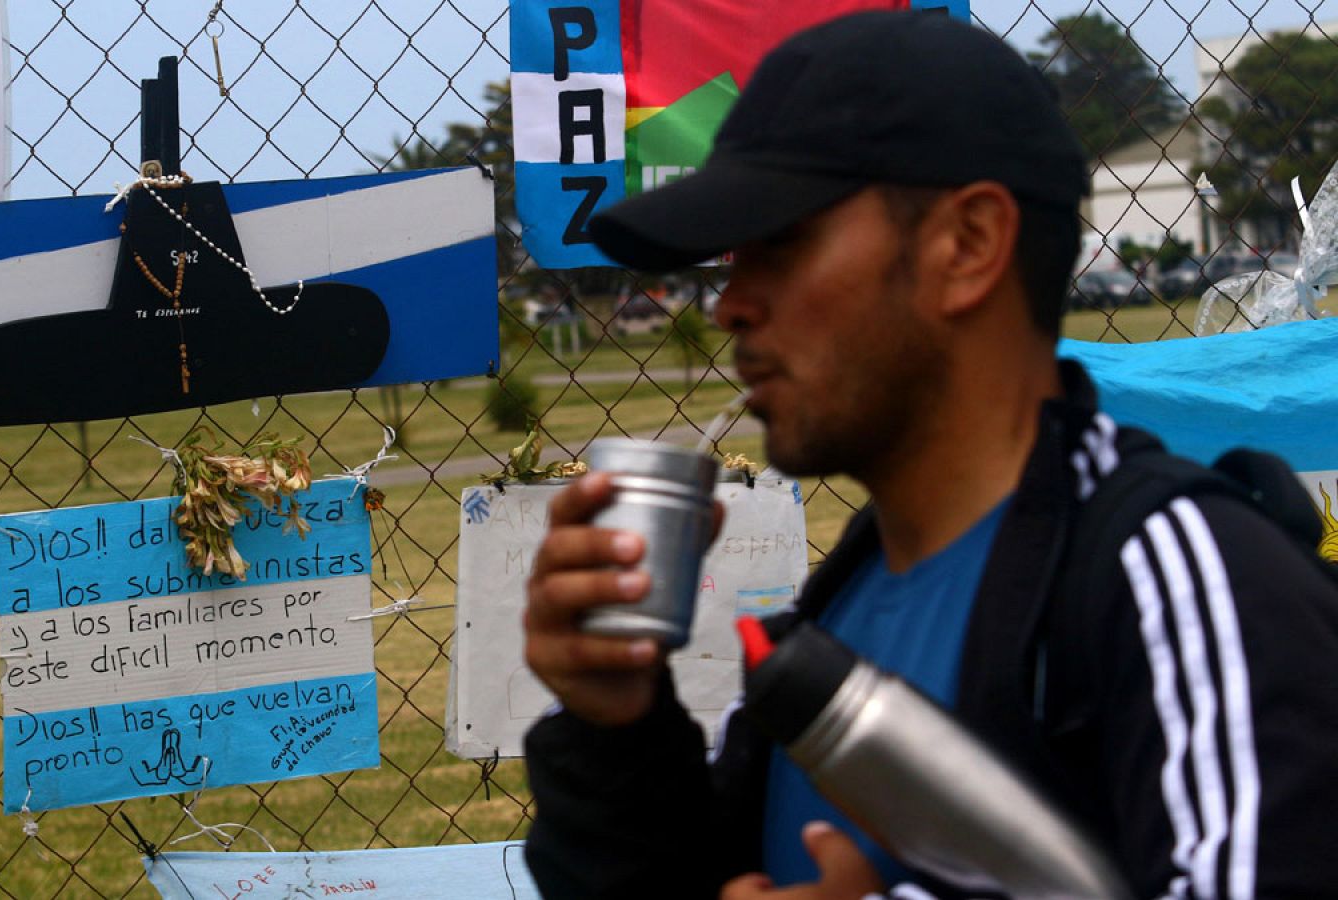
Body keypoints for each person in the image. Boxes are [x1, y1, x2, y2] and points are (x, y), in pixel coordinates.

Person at [521, 11, 1338, 899]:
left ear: (969, 244)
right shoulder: (835, 616)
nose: (731, 304)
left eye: (781, 243)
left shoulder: (1178, 581)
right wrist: (615, 729)